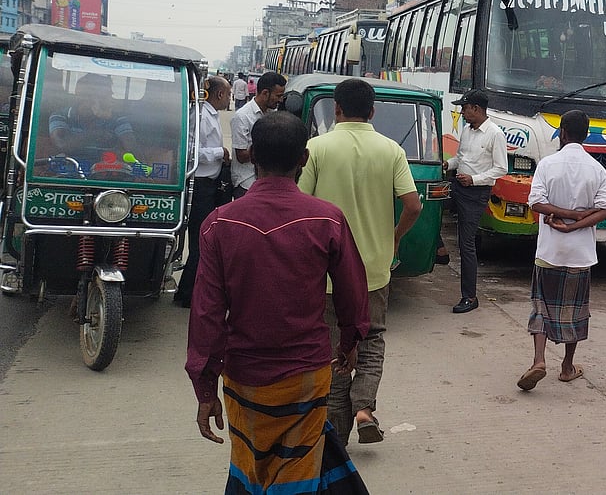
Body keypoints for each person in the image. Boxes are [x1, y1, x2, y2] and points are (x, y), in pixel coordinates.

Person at [186, 111, 371, 494]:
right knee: (296, 474)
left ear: (252, 155)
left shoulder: (220, 223)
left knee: (250, 464)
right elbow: (354, 294)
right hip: (306, 373)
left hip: (243, 377)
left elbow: (206, 315)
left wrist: (205, 388)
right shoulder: (327, 219)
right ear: (304, 159)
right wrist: (351, 343)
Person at [299, 78, 423, 446]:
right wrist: (394, 235)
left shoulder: (316, 148)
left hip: (326, 271)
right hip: (373, 267)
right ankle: (365, 407)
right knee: (372, 338)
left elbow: (302, 204)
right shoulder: (390, 150)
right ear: (372, 112)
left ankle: (335, 435)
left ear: (335, 109)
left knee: (336, 346)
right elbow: (414, 205)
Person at [517, 110, 606, 391]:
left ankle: (538, 360)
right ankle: (568, 367)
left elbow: (536, 202)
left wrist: (563, 215)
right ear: (585, 135)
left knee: (541, 308)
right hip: (580, 254)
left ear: (563, 132)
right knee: (575, 311)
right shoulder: (597, 169)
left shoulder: (548, 164)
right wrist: (576, 223)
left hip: (549, 251)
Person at [443, 89, 508, 314]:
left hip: (476, 193)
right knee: (429, 204)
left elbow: (501, 168)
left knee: (466, 244)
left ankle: (469, 296)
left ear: (476, 109)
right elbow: (460, 158)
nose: (462, 112)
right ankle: (438, 250)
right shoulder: (468, 131)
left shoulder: (495, 134)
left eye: (465, 108)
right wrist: (447, 165)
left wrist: (474, 179)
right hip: (459, 186)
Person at [174, 75, 231, 308]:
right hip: (200, 185)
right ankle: (187, 293)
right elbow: (190, 152)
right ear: (219, 94)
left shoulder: (211, 115)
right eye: (227, 94)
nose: (229, 98)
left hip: (210, 183)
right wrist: (219, 153)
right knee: (200, 241)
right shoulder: (199, 116)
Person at [48, 74, 136, 156]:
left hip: (106, 170)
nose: (112, 100)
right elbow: (61, 144)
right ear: (89, 99)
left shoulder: (118, 119)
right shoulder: (61, 116)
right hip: (69, 169)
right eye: (106, 96)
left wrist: (106, 118)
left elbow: (131, 150)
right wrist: (97, 134)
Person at [230, 71, 286, 198]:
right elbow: (241, 156)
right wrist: (269, 146)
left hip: (266, 182)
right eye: (278, 96)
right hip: (246, 183)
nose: (280, 100)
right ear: (265, 93)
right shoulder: (242, 117)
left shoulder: (273, 114)